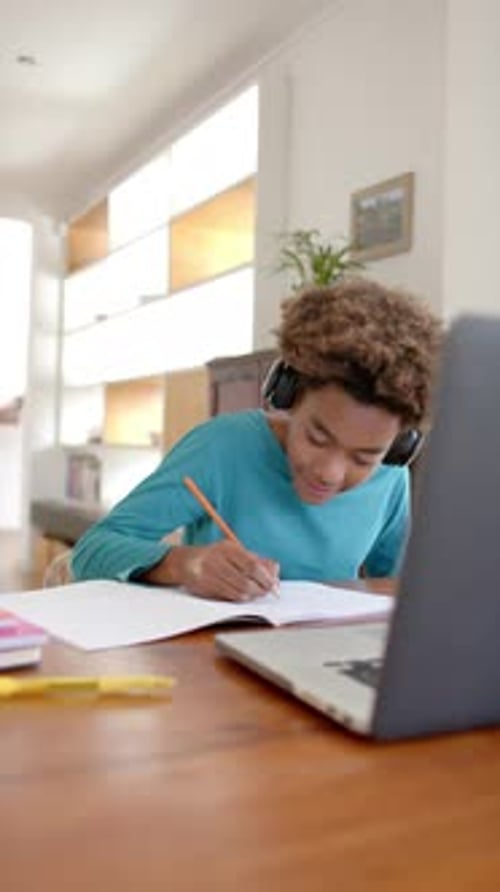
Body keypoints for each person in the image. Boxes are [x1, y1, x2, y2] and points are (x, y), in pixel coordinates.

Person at [71, 277, 442, 601]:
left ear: (398, 446)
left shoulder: (391, 476)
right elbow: (92, 550)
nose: (330, 472)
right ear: (288, 394)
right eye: (317, 436)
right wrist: (187, 564)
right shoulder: (223, 447)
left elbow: (397, 590)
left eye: (363, 459)